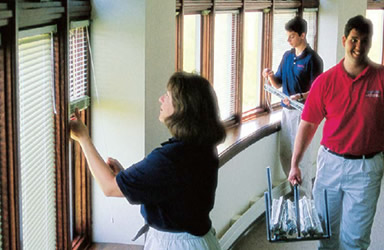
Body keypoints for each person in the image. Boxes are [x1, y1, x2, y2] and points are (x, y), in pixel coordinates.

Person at [288, 15, 384, 250]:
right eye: (354, 40)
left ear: (370, 43)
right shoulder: (324, 82)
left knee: (355, 241)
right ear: (344, 39)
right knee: (325, 234)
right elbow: (307, 124)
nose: (359, 47)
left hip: (366, 169)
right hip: (329, 165)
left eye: (364, 41)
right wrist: (295, 163)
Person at [69, 72, 226, 249]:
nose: (161, 99)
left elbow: (109, 187)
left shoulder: (171, 158)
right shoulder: (201, 147)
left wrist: (83, 138)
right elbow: (173, 191)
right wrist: (127, 178)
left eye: (167, 95)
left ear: (182, 108)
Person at [262, 16, 323, 197]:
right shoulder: (287, 56)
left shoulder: (313, 60)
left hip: (303, 114)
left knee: (301, 158)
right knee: (286, 154)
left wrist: (301, 96)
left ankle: (305, 198)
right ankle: (295, 191)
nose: (288, 40)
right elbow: (278, 84)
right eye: (287, 36)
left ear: (302, 35)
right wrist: (269, 76)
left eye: (292, 36)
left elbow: (317, 91)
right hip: (286, 112)